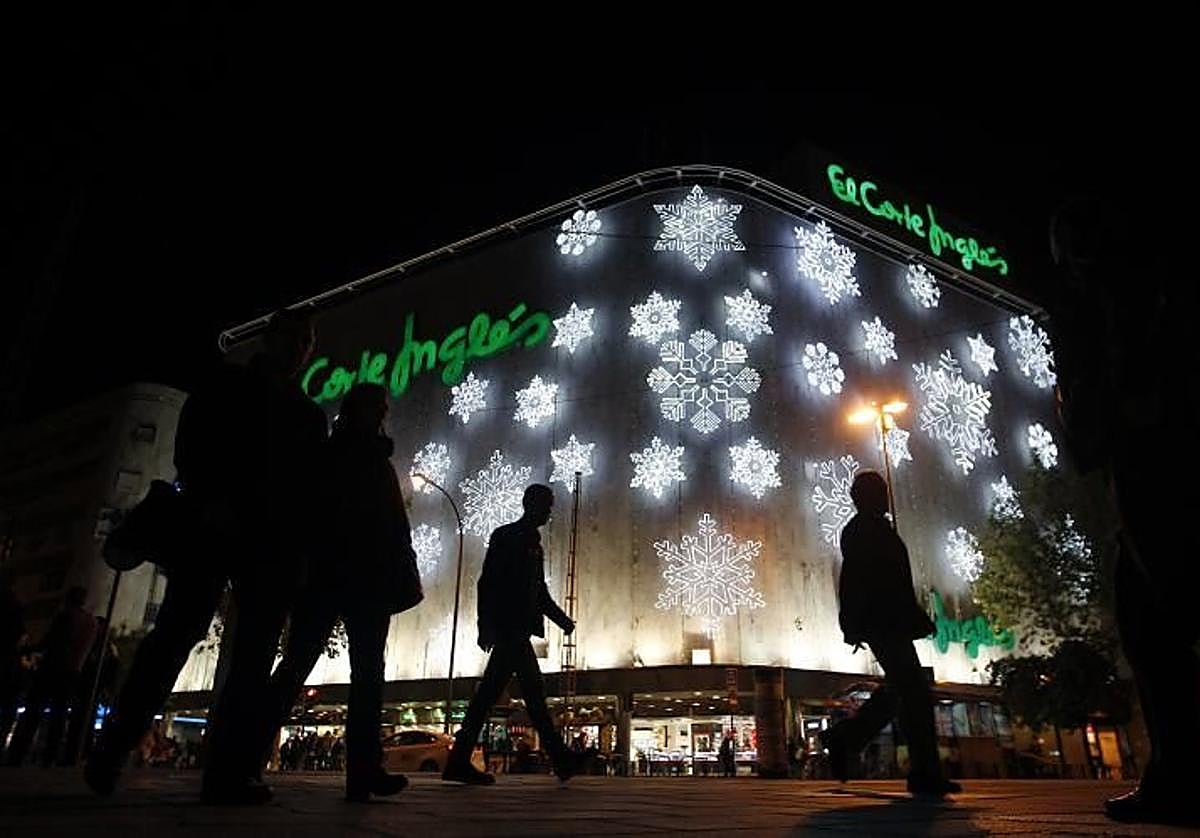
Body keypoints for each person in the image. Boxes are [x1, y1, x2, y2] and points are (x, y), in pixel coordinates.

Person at [85, 308, 328, 804]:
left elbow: (310, 491)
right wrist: (209, 498)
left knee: (254, 656)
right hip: (213, 528)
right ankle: (111, 750)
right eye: (292, 336)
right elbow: (191, 444)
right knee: (176, 633)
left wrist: (301, 550)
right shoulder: (227, 385)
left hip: (271, 546)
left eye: (307, 341)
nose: (299, 347)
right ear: (270, 338)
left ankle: (228, 774)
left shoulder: (307, 414)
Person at [1049, 201, 1200, 826]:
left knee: (1157, 616)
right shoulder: (1125, 294)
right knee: (1149, 618)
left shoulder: (1126, 300)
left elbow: (1111, 406)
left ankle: (1179, 773)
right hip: (1143, 477)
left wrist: (1095, 408)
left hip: (1160, 472)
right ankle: (1177, 771)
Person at [250, 381, 422, 800]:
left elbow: (392, 522)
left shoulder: (370, 457)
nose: (382, 413)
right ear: (356, 409)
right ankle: (246, 757)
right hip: (339, 573)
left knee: (362, 675)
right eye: (376, 406)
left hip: (364, 577)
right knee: (303, 666)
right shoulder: (337, 454)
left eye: (384, 407)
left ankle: (364, 771)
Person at [821, 471, 960, 797]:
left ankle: (846, 739)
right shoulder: (863, 530)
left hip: (888, 622)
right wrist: (855, 624)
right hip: (882, 623)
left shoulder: (876, 529)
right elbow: (858, 581)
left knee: (903, 689)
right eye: (881, 491)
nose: (887, 496)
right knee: (913, 690)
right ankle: (924, 772)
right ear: (867, 496)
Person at [442, 484, 579, 785]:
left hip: (516, 631)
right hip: (508, 630)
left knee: (506, 697)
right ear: (530, 504)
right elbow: (487, 582)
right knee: (528, 696)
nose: (549, 512)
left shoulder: (535, 545)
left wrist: (562, 620)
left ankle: (458, 760)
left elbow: (538, 592)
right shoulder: (506, 537)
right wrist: (484, 625)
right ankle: (560, 759)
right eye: (546, 505)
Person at [5, 586, 97, 766]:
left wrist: (26, 649)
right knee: (59, 715)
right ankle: (50, 755)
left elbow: (50, 641)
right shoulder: (91, 622)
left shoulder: (66, 616)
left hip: (53, 669)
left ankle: (18, 754)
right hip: (72, 673)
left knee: (34, 712)